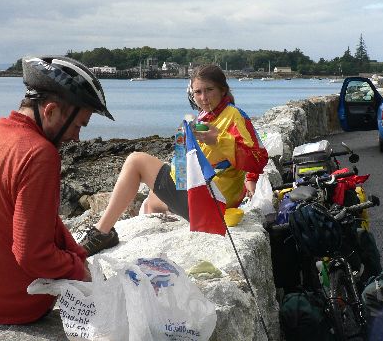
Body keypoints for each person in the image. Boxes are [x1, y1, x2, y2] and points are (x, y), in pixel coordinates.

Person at [0, 56, 114, 324]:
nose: (77, 137)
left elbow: (34, 220)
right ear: (50, 110)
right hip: (8, 307)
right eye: (79, 125)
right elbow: (33, 256)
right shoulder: (40, 154)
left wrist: (75, 253)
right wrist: (78, 268)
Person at [82, 64, 268, 256]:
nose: (203, 98)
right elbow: (183, 169)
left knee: (135, 160)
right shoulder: (204, 118)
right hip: (207, 195)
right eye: (198, 92)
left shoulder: (234, 116)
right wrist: (183, 141)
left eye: (209, 90)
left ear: (223, 90)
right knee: (150, 203)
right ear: (192, 94)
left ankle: (101, 232)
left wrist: (219, 141)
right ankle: (153, 253)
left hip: (213, 200)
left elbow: (257, 158)